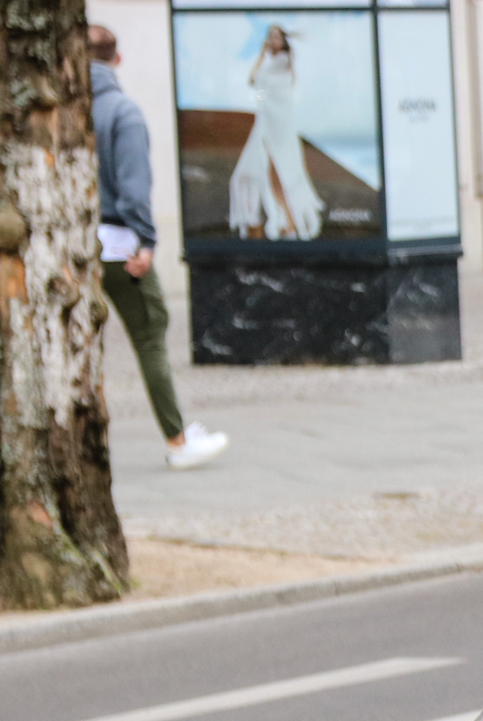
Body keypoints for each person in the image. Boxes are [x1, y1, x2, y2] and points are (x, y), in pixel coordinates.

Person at [89, 26, 226, 471]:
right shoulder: (120, 111)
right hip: (118, 244)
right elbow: (133, 187)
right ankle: (178, 440)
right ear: (118, 59)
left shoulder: (63, 103)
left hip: (72, 243)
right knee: (149, 336)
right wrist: (146, 240)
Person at [229, 25, 325, 240]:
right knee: (260, 172)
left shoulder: (285, 62)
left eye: (277, 37)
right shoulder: (269, 64)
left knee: (280, 173)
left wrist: (265, 99)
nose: (273, 41)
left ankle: (289, 223)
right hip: (266, 122)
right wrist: (261, 56)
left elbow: (277, 90)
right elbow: (256, 86)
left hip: (279, 124)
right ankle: (280, 221)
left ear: (283, 40)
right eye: (270, 37)